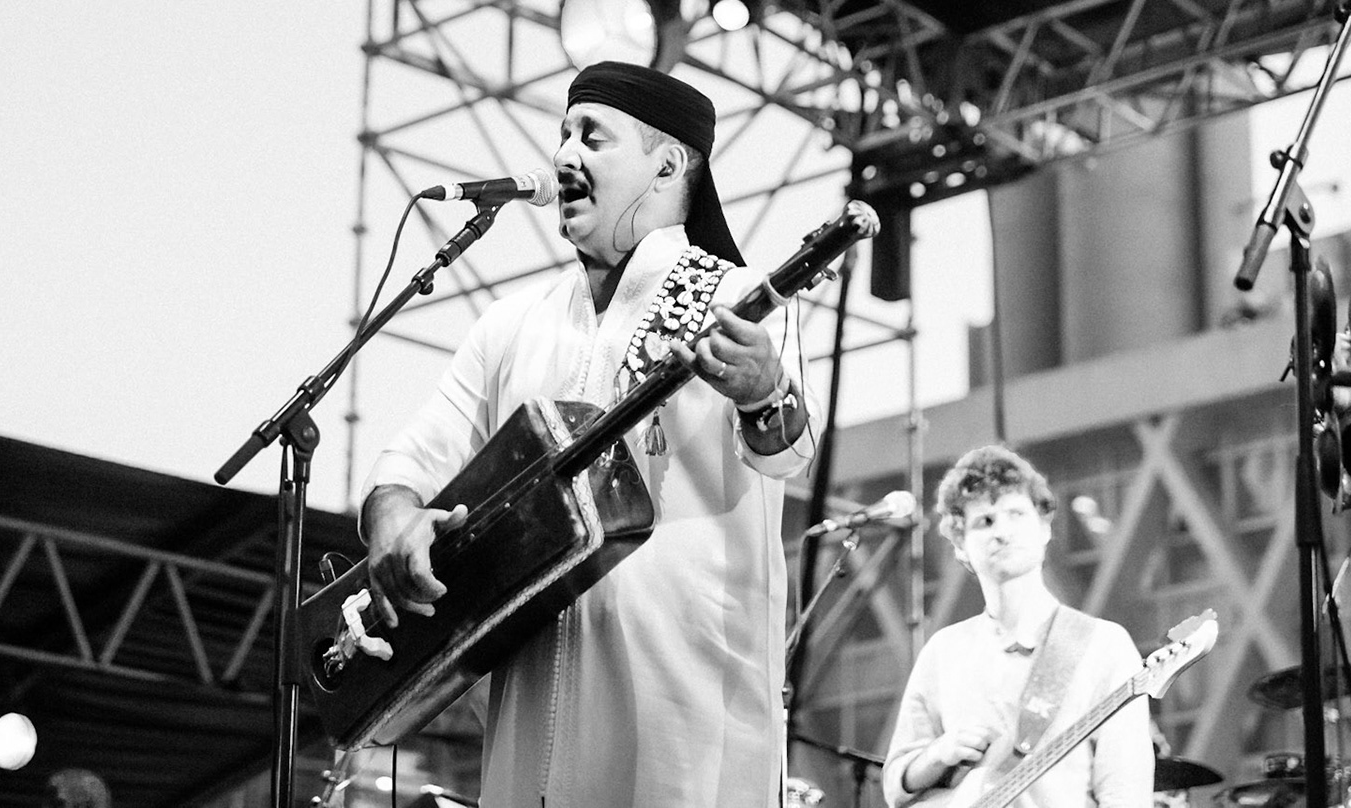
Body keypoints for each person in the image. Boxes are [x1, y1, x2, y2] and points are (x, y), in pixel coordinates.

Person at [361, 60, 814, 808]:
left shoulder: (736, 297)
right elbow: (412, 458)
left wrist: (764, 391)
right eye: (563, 134)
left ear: (669, 162)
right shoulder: (511, 324)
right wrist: (395, 518)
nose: (565, 155)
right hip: (525, 728)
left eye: (592, 137)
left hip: (689, 728)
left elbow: (787, 452)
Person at [883, 445, 1151, 808]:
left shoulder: (1103, 645)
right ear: (960, 545)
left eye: (1016, 514)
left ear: (1045, 528)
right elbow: (896, 784)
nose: (1002, 532)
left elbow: (1125, 793)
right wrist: (939, 754)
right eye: (985, 521)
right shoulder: (944, 651)